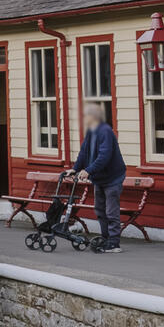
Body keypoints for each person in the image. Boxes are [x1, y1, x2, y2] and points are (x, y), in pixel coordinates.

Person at [71, 102, 126, 253]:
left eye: (85, 115)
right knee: (99, 210)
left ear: (93, 116)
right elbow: (83, 152)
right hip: (100, 178)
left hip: (112, 177)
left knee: (111, 211)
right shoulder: (91, 131)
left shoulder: (105, 131)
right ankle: (105, 238)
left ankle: (114, 243)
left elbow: (105, 156)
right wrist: (75, 168)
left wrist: (88, 170)